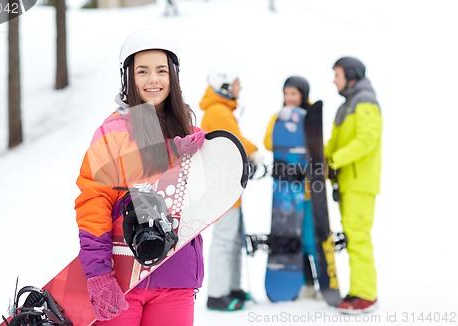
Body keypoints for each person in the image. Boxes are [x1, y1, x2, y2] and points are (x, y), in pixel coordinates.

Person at [74, 29, 206, 326]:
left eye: (161, 70)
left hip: (176, 274)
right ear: (128, 77)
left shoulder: (189, 133)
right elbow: (93, 202)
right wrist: (97, 274)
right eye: (142, 71)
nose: (153, 80)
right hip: (124, 276)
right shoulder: (113, 131)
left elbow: (207, 206)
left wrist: (199, 160)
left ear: (174, 76)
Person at [199, 70, 263, 311]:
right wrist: (254, 151)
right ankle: (217, 294)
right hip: (221, 187)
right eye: (237, 85)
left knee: (234, 239)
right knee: (225, 240)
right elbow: (235, 140)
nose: (240, 89)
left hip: (229, 186)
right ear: (225, 87)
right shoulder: (218, 111)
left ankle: (232, 287)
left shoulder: (223, 110)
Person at [326, 56, 382, 314]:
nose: (334, 79)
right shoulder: (346, 106)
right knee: (353, 238)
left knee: (358, 238)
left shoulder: (365, 101)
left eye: (338, 74)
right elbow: (336, 142)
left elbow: (366, 140)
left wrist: (335, 161)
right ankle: (359, 290)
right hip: (348, 184)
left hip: (359, 183)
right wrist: (322, 160)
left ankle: (365, 295)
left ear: (351, 75)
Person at [263, 76, 320, 300]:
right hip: (286, 192)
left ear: (303, 95)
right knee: (291, 237)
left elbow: (319, 147)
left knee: (309, 237)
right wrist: (282, 124)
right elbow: (269, 142)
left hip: (306, 192)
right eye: (286, 93)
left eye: (294, 94)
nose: (289, 98)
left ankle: (320, 280)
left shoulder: (312, 119)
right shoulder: (278, 117)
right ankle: (304, 284)